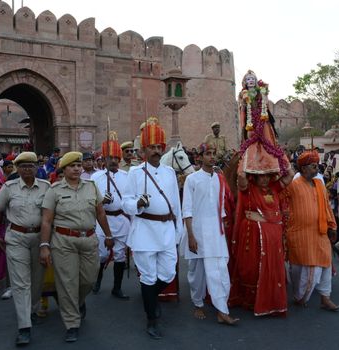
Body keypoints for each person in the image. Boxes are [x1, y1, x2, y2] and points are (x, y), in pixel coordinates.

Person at [39, 151, 114, 342]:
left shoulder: (91, 186)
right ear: (63, 169)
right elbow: (47, 221)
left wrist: (108, 234)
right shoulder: (54, 190)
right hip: (63, 242)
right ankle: (72, 323)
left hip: (88, 239)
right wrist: (45, 245)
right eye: (72, 166)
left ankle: (77, 301)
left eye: (79, 165)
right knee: (67, 282)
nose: (77, 168)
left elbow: (100, 213)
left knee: (88, 279)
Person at [123, 117, 183, 339]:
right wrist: (138, 203)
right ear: (144, 151)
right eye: (152, 147)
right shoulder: (135, 173)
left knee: (168, 273)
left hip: (167, 230)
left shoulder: (169, 173)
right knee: (148, 277)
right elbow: (125, 203)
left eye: (159, 147)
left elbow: (176, 203)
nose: (156, 151)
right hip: (145, 230)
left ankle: (149, 298)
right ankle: (152, 318)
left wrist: (178, 231)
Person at [0, 152, 50, 345]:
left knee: (37, 280)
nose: (27, 169)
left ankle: (31, 309)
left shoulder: (46, 187)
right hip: (16, 238)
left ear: (36, 167)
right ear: (17, 168)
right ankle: (24, 326)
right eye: (22, 166)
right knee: (20, 283)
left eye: (30, 165)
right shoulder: (9, 187)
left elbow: (51, 215)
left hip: (40, 238)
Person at [182, 143, 238, 325]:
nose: (212, 157)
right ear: (199, 157)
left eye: (214, 154)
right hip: (197, 233)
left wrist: (223, 232)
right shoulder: (192, 179)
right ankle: (198, 303)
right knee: (196, 274)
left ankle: (222, 310)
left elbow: (221, 209)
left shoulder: (220, 179)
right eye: (208, 154)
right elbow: (187, 210)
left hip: (216, 233)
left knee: (220, 271)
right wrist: (191, 236)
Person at [229, 168, 294, 316]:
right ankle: (251, 300)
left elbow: (290, 174)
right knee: (251, 267)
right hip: (253, 234)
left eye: (267, 176)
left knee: (271, 266)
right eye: (261, 176)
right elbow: (241, 177)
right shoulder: (248, 188)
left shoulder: (274, 187)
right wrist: (249, 158)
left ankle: (269, 300)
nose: (264, 179)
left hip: (272, 237)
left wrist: (276, 154)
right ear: (254, 177)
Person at [282, 150, 339, 311]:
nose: (317, 169)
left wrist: (332, 226)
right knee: (300, 269)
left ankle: (325, 297)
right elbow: (279, 199)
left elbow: (327, 207)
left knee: (325, 264)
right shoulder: (293, 184)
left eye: (317, 166)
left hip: (320, 233)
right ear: (304, 168)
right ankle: (300, 297)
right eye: (314, 166)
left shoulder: (320, 184)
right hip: (300, 234)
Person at [91, 135, 131, 299]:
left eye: (116, 158)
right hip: (103, 220)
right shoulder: (95, 178)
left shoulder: (127, 176)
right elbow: (90, 201)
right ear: (104, 159)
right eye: (110, 158)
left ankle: (117, 287)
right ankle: (97, 281)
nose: (113, 161)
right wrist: (100, 201)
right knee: (102, 254)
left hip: (121, 220)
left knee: (120, 255)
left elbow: (130, 199)